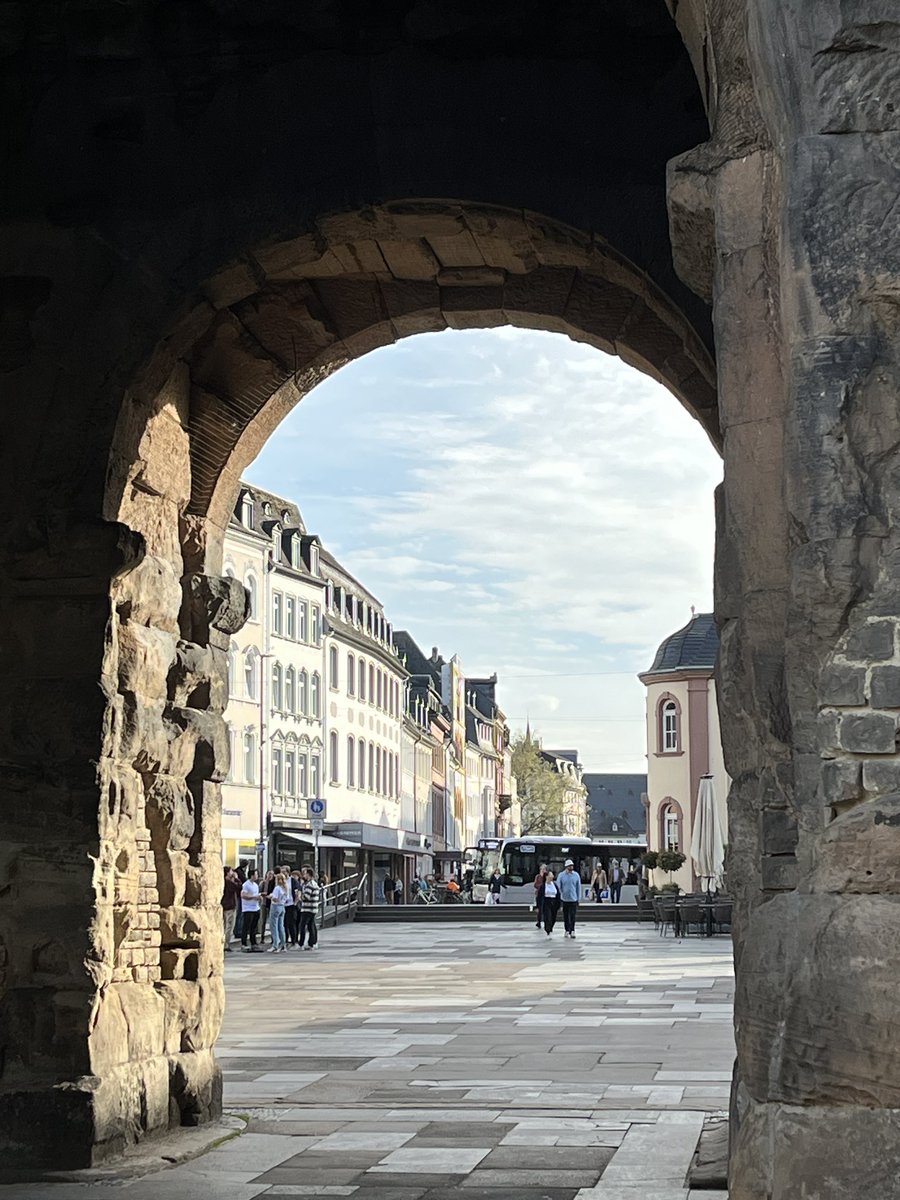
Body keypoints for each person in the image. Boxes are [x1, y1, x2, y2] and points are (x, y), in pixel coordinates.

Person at [240, 868, 263, 952]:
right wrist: (253, 897)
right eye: (256, 874)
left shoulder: (255, 885)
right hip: (248, 908)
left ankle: (253, 943)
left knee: (254, 927)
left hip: (255, 907)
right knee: (246, 926)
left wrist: (259, 897)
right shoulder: (246, 884)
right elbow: (243, 895)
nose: (257, 876)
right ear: (252, 875)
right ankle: (244, 943)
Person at [558, 858, 581, 938]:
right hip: (564, 899)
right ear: (566, 867)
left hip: (573, 899)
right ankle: (567, 930)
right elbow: (559, 887)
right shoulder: (561, 875)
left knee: (573, 915)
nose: (571, 868)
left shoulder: (576, 875)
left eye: (572, 866)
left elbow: (578, 888)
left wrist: (578, 898)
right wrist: (559, 899)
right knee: (566, 915)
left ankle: (572, 930)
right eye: (570, 866)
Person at [298, 866, 320, 949]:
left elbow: (306, 897)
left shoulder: (309, 885)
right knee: (311, 926)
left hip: (307, 908)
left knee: (302, 926)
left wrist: (299, 896)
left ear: (309, 874)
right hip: (313, 908)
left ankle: (301, 943)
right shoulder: (314, 884)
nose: (304, 875)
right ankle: (312, 943)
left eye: (305, 873)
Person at [267, 872, 290, 952]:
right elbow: (287, 899)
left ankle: (275, 944)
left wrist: (270, 897)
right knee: (281, 926)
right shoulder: (286, 888)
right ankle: (283, 944)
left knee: (273, 926)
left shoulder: (277, 888)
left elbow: (275, 898)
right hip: (282, 906)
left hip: (275, 906)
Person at [222, 866, 241, 952]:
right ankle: (226, 944)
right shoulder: (228, 882)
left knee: (224, 926)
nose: (232, 872)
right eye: (230, 871)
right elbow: (239, 887)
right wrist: (236, 879)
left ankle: (224, 943)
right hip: (229, 906)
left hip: (224, 905)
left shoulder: (222, 881)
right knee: (229, 926)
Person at [285, 869, 301, 947]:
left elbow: (298, 891)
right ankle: (285, 939)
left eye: (284, 872)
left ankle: (294, 940)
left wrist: (295, 902)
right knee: (284, 923)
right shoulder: (282, 880)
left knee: (292, 923)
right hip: (283, 904)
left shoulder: (293, 881)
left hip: (291, 904)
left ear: (288, 873)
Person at [542, 870, 559, 934]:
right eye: (551, 875)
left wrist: (559, 904)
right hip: (546, 902)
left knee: (553, 918)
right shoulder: (543, 886)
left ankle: (550, 927)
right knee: (548, 917)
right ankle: (548, 930)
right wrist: (538, 906)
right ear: (546, 877)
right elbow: (540, 897)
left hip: (554, 902)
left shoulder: (554, 885)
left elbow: (558, 894)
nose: (552, 876)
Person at [533, 863, 549, 928]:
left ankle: (546, 921)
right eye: (542, 869)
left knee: (546, 909)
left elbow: (549, 884)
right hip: (539, 894)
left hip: (546, 894)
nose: (543, 870)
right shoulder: (537, 876)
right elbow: (535, 884)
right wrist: (541, 886)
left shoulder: (547, 876)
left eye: (544, 869)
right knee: (539, 909)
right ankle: (538, 922)